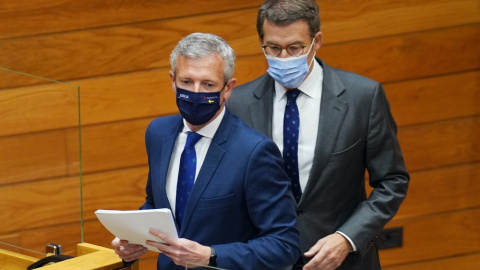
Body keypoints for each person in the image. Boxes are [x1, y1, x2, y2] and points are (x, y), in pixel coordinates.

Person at [227, 1, 410, 269]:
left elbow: (392, 181)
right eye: (274, 48)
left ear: (317, 41)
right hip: (265, 259)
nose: (284, 58)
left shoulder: (362, 97)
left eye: (295, 48)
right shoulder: (238, 103)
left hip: (342, 261)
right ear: (261, 42)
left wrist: (348, 238)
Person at [111, 32, 300, 270]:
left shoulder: (254, 152)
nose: (196, 92)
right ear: (173, 80)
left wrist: (210, 255)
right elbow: (156, 204)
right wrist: (132, 240)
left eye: (208, 84)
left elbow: (284, 245)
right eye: (187, 82)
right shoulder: (158, 133)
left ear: (228, 88)